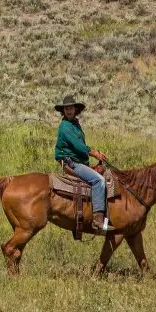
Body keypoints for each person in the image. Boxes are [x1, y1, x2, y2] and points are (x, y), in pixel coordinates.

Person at [53, 95, 114, 234]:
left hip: (79, 161)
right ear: (63, 111)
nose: (69, 111)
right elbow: (78, 146)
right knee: (99, 181)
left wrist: (94, 153)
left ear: (75, 110)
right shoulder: (65, 126)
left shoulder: (75, 123)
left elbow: (80, 145)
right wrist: (94, 153)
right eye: (66, 109)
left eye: (71, 108)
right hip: (71, 163)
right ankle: (98, 220)